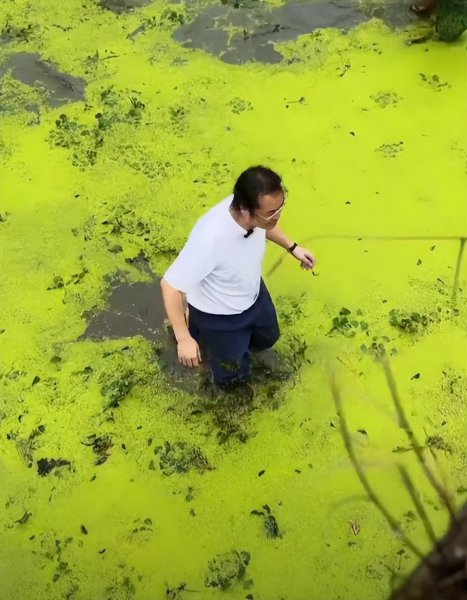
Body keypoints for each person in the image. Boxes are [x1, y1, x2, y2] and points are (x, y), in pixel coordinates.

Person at [161, 166, 316, 391]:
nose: (278, 215)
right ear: (244, 209)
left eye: (280, 207)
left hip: (252, 293)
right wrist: (183, 339)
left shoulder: (254, 214)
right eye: (272, 212)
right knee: (233, 374)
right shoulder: (210, 239)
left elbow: (266, 225)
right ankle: (194, 334)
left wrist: (292, 247)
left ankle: (197, 330)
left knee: (268, 337)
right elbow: (170, 285)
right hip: (221, 316)